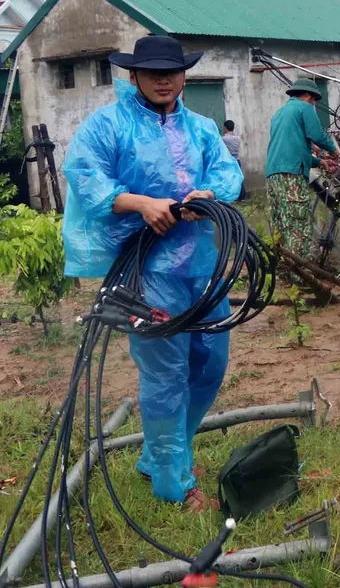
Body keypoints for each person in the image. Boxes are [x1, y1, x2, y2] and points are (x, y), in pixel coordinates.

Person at [61, 35, 243, 509]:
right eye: (153, 72)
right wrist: (141, 203)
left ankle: (165, 451)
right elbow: (85, 177)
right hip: (146, 271)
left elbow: (228, 174)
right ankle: (172, 480)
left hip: (203, 266)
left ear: (184, 75)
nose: (164, 79)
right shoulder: (107, 125)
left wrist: (208, 195)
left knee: (210, 363)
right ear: (133, 76)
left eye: (172, 70)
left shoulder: (202, 128)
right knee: (166, 373)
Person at [264, 79, 340, 260]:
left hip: (273, 176)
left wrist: (320, 162)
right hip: (291, 176)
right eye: (313, 100)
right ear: (308, 95)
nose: (313, 104)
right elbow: (317, 134)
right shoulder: (304, 108)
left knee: (281, 224)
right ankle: (301, 276)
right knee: (299, 225)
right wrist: (333, 150)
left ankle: (284, 268)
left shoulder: (279, 114)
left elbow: (294, 150)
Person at [222, 120, 247, 201]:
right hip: (237, 160)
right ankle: (242, 196)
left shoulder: (224, 139)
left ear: (225, 128)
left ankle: (232, 197)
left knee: (229, 179)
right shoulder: (237, 138)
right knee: (239, 178)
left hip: (229, 161)